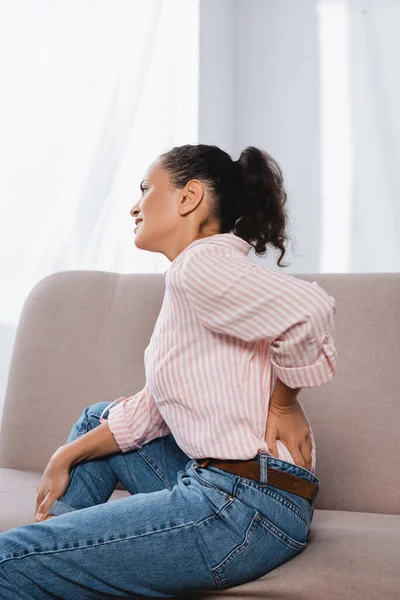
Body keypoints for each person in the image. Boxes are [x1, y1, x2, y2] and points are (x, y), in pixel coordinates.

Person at [0, 144, 337, 598]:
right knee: (96, 421)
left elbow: (309, 308)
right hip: (259, 499)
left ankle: (43, 562)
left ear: (188, 197)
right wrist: (67, 454)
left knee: (8, 560)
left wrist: (285, 401)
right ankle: (57, 558)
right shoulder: (200, 275)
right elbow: (150, 411)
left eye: (146, 189)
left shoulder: (199, 266)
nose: (134, 205)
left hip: (240, 507)